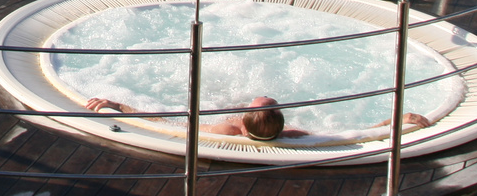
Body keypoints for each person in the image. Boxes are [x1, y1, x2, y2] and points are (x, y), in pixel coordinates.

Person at [85, 95, 429, 139]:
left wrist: (120, 106)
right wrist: (391, 123)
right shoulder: (293, 135)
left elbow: (165, 122)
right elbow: (351, 134)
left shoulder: (226, 128)